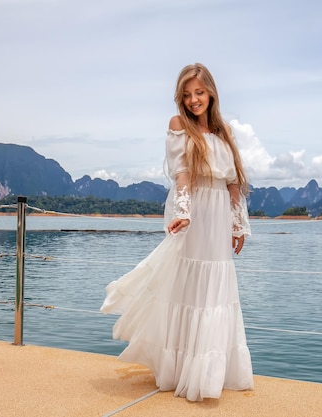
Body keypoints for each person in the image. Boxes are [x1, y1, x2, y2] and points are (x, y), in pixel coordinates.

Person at [100, 63, 253, 402]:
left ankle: (212, 373)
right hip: (195, 210)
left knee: (215, 290)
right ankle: (184, 369)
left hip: (218, 215)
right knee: (189, 286)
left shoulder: (224, 131)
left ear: (211, 92)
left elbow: (232, 183)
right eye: (186, 94)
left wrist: (237, 223)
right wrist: (183, 212)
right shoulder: (178, 126)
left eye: (199, 92)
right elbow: (181, 175)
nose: (193, 100)